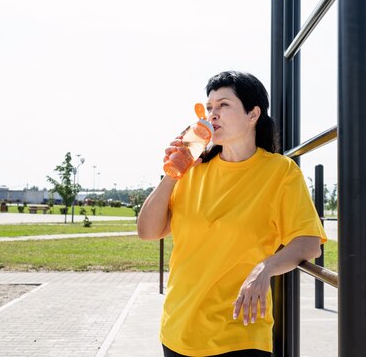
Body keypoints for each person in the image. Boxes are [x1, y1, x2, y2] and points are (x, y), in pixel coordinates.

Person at [138, 71, 328, 357]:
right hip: (178, 331)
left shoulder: (281, 172)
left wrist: (266, 267)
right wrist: (173, 172)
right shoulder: (192, 171)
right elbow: (148, 232)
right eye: (209, 107)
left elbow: (309, 241)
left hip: (240, 333)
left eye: (224, 105)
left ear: (253, 115)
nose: (213, 115)